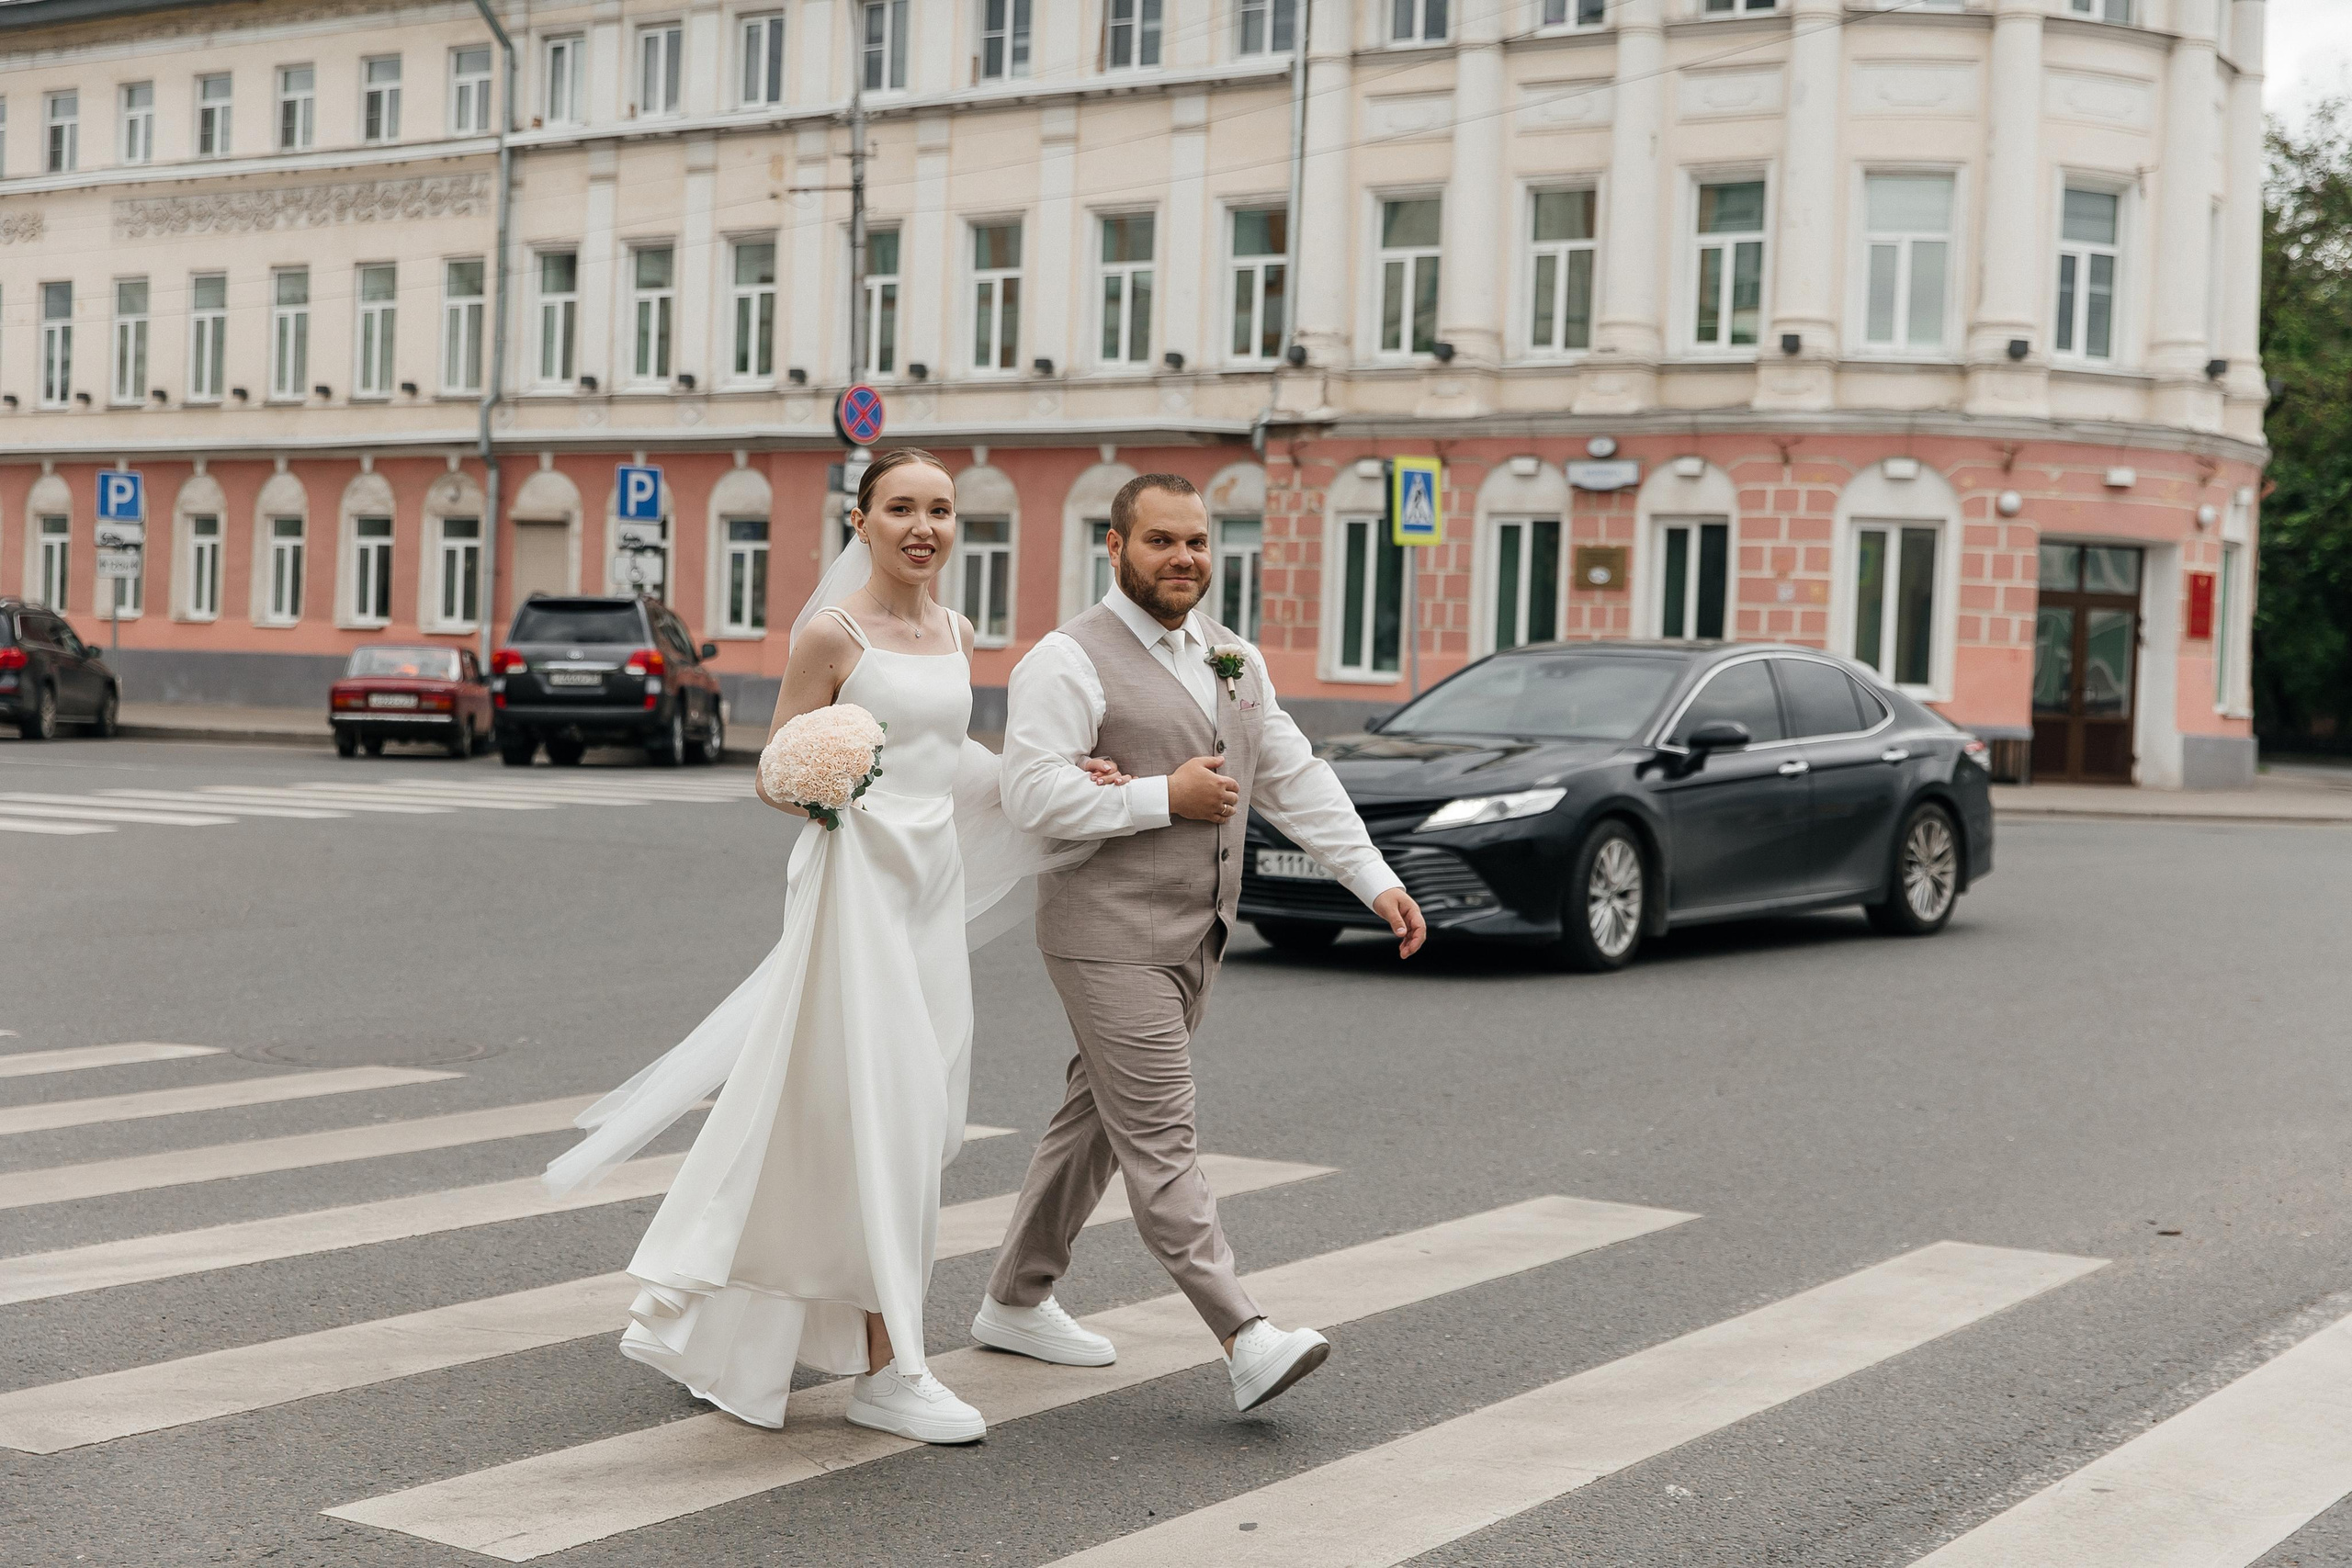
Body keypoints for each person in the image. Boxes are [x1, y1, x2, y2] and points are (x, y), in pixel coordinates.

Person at [541, 448, 1109, 1445]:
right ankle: (893, 1371)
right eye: (902, 509)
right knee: (885, 1122)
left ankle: (726, 1325)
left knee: (915, 1122)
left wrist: (1057, 781)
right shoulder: (832, 634)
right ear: (863, 520)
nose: (924, 528)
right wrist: (826, 785)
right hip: (855, 893)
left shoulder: (957, 632)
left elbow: (948, 762)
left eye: (941, 510)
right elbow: (775, 770)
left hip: (929, 896)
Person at [976, 472, 1428, 1413]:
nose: (1183, 558)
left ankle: (1014, 1299)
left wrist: (1374, 878)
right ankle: (1243, 1333)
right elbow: (1030, 792)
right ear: (1114, 547)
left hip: (1196, 928)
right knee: (1160, 1132)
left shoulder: (1232, 655)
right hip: (1106, 932)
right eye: (1160, 541)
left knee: (1096, 1119)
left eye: (1195, 541)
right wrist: (1161, 796)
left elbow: (1293, 775)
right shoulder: (1066, 659)